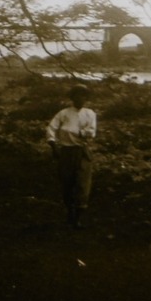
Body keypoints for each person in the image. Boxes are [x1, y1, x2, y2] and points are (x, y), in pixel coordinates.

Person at [46, 83, 97, 229]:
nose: (81, 98)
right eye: (77, 95)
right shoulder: (63, 113)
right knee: (67, 183)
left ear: (87, 98)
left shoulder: (90, 114)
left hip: (82, 152)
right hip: (66, 152)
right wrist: (53, 144)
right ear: (72, 98)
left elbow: (91, 132)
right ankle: (70, 213)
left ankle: (78, 218)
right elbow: (51, 128)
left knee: (83, 184)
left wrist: (76, 132)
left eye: (84, 95)